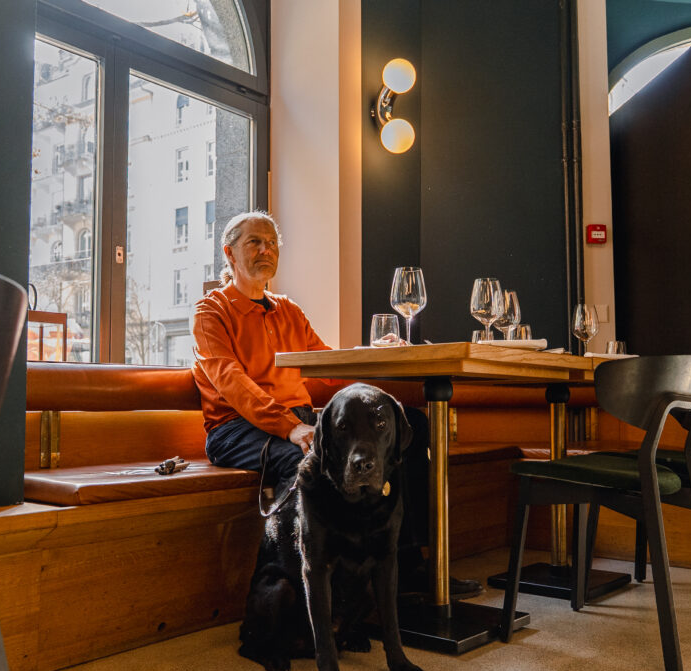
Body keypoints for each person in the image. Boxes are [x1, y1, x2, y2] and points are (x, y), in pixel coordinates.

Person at [191, 210, 480, 599]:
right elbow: (230, 381)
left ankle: (410, 565)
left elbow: (329, 367)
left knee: (406, 427)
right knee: (307, 461)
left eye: (272, 242)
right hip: (236, 428)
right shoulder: (211, 311)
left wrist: (375, 355)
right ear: (229, 253)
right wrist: (289, 426)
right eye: (254, 243)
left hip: (299, 419)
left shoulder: (288, 310)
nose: (266, 249)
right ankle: (317, 588)